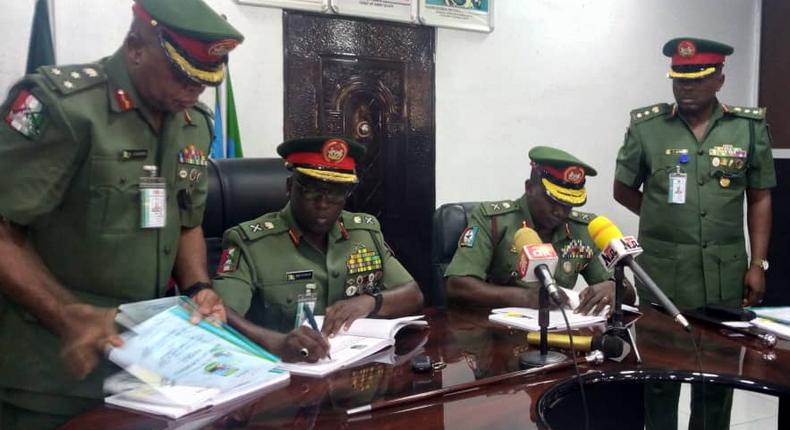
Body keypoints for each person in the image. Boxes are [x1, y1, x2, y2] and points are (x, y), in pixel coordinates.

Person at [0, 0, 243, 427]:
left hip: (144, 369)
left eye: (202, 83)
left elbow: (187, 219)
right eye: (181, 76)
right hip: (51, 372)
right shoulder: (65, 107)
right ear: (135, 46)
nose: (192, 92)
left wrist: (199, 285)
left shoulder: (193, 122)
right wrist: (65, 315)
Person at [613, 37, 776, 430]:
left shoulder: (747, 129)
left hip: (725, 275)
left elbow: (759, 199)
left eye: (697, 78)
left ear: (719, 79)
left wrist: (758, 263)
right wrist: (666, 218)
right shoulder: (648, 127)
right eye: (679, 77)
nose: (686, 86)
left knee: (717, 381)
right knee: (659, 380)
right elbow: (622, 189)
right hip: (663, 277)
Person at [213, 136, 424, 362]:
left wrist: (371, 302)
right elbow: (221, 313)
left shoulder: (364, 233)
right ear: (290, 187)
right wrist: (276, 343)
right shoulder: (251, 243)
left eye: (335, 192)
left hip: (353, 370)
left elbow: (413, 295)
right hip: (282, 373)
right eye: (312, 190)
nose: (323, 203)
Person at [445, 146, 635, 314]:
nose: (560, 211)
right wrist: (526, 298)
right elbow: (457, 286)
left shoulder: (583, 230)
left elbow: (629, 294)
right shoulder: (493, 220)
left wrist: (614, 287)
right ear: (529, 188)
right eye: (552, 200)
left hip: (558, 334)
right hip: (493, 335)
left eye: (569, 204)